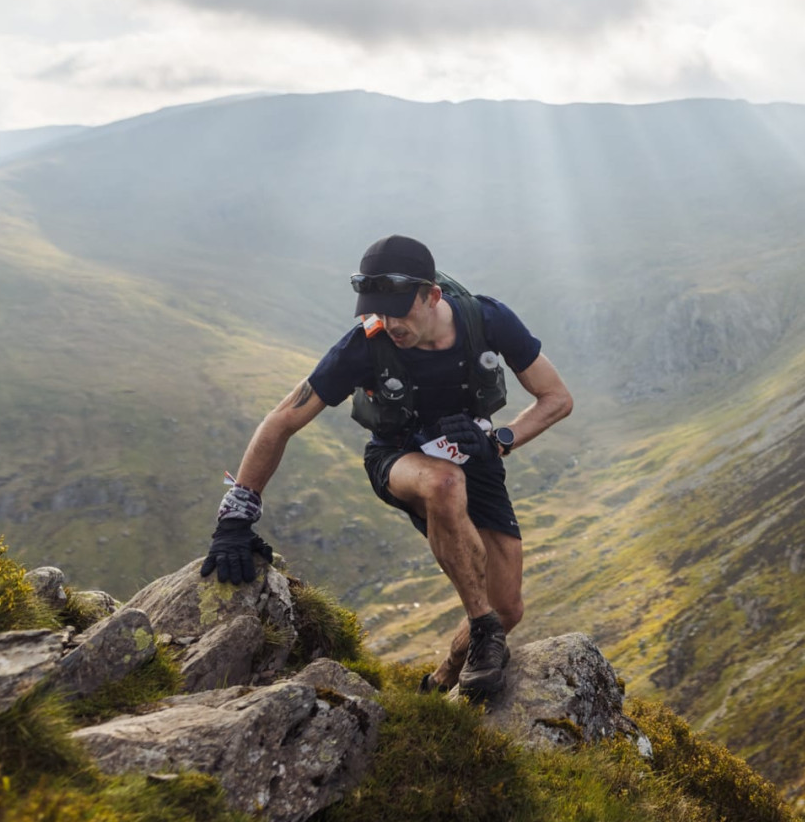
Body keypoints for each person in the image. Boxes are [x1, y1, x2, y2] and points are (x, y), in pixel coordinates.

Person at [199, 234, 573, 698]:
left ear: (432, 295)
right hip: (396, 457)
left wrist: (497, 440)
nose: (390, 323)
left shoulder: (487, 320)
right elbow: (281, 420)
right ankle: (482, 629)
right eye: (378, 311)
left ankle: (442, 679)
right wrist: (236, 515)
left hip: (473, 456)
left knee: (509, 608)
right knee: (444, 482)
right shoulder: (364, 345)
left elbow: (557, 398)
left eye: (400, 310)